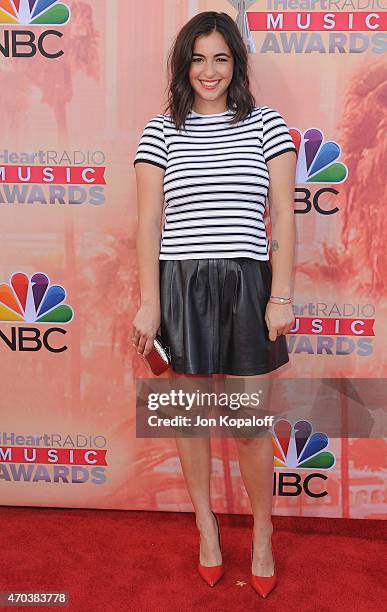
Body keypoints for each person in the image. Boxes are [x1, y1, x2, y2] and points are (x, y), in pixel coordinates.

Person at [132, 11, 296, 599]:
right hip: (179, 285)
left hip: (249, 285)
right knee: (189, 418)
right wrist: (150, 303)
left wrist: (280, 295)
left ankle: (261, 535)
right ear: (183, 64)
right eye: (198, 58)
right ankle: (206, 525)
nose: (209, 70)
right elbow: (149, 221)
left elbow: (282, 221)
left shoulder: (268, 127)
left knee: (251, 427)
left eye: (221, 58)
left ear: (236, 64)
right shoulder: (160, 132)